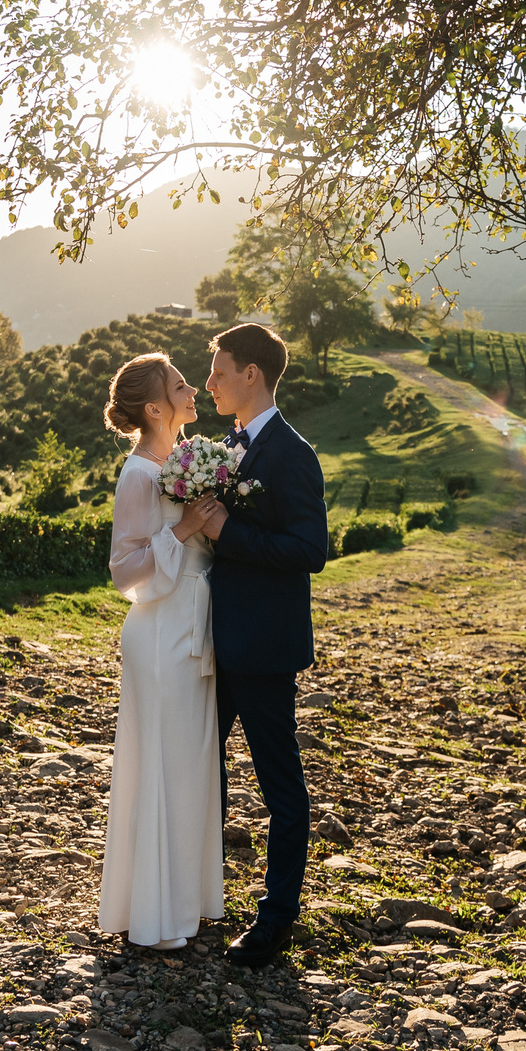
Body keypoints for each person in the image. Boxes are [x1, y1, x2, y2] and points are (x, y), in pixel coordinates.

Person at [185, 321, 330, 969]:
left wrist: (227, 528)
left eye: (218, 369)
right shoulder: (222, 447)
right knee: (200, 775)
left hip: (266, 647)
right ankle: (196, 896)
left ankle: (276, 919)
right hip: (212, 641)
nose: (209, 380)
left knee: (280, 790)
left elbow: (309, 549)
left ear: (253, 373)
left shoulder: (293, 453)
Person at [97, 352, 223, 949]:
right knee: (163, 762)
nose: (191, 387)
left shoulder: (182, 463)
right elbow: (126, 570)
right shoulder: (141, 474)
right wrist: (184, 529)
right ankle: (155, 914)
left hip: (194, 625)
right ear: (154, 408)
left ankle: (186, 901)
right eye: (179, 384)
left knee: (190, 762)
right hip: (159, 630)